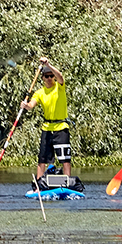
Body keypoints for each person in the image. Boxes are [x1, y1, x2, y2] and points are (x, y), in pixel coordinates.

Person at [21, 57, 81, 192]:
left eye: (51, 76)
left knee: (65, 159)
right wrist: (25, 106)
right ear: (42, 78)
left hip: (61, 128)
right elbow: (31, 105)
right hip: (47, 128)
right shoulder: (39, 93)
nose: (49, 78)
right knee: (42, 159)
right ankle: (39, 187)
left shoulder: (59, 87)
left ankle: (66, 185)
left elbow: (61, 76)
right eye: (46, 76)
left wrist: (48, 65)